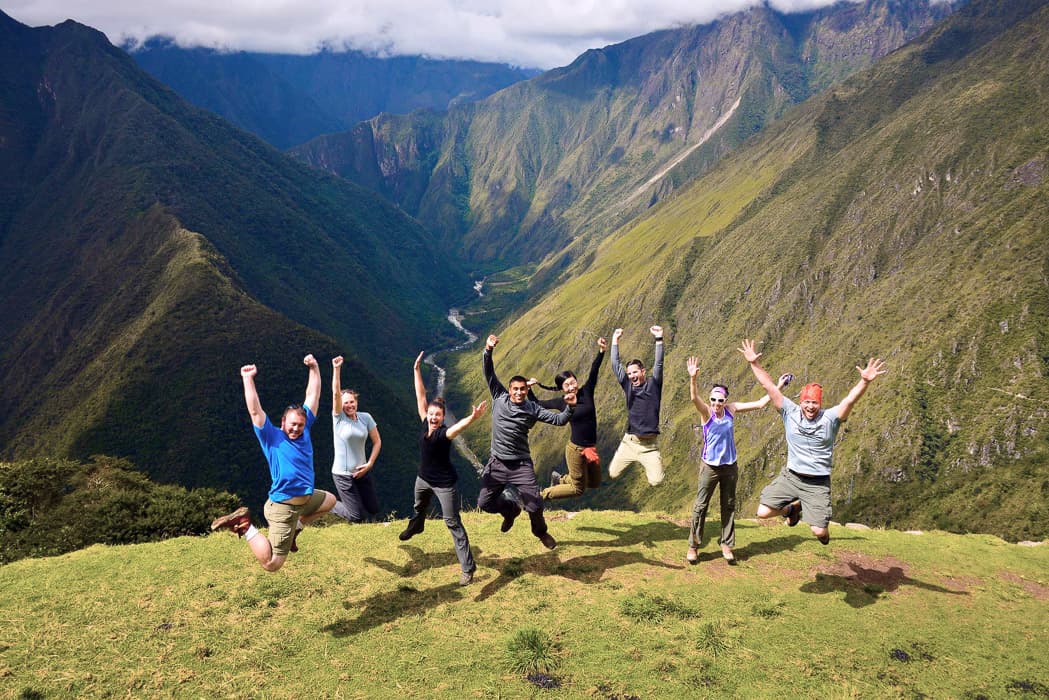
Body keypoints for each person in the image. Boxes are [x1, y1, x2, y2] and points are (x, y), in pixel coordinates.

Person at [739, 338, 887, 544]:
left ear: (820, 404)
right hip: (791, 476)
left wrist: (865, 381)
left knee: (819, 533)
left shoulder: (831, 418)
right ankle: (793, 509)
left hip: (817, 482)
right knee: (763, 512)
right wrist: (753, 363)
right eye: (807, 402)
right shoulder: (789, 412)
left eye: (814, 403)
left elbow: (849, 400)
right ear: (801, 402)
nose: (810, 407)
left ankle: (817, 525)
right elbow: (769, 386)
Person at [211, 355, 337, 572]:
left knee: (330, 501)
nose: (296, 428)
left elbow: (313, 395)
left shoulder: (305, 430)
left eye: (299, 425)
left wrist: (314, 368)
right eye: (292, 425)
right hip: (283, 508)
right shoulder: (271, 437)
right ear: (282, 422)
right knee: (272, 564)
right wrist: (247, 378)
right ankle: (245, 525)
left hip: (304, 500)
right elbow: (255, 411)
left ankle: (295, 529)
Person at [685, 356, 792, 565]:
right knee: (700, 506)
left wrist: (778, 385)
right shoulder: (706, 413)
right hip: (709, 466)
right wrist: (693, 379)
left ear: (726, 400)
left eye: (720, 400)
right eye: (714, 399)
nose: (716, 404)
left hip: (730, 466)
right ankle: (693, 546)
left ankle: (726, 544)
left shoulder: (731, 410)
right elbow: (693, 398)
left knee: (729, 504)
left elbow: (761, 404)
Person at [398, 352, 488, 585]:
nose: (433, 417)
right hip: (423, 479)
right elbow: (420, 396)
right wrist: (416, 370)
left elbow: (458, 427)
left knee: (453, 522)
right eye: (431, 414)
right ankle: (416, 528)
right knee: (419, 507)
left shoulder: (444, 433)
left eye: (438, 415)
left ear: (442, 417)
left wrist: (474, 417)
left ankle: (468, 569)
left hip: (444, 484)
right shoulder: (424, 421)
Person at [479, 334, 576, 550]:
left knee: (534, 504)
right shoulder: (499, 397)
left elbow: (559, 420)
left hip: (521, 464)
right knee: (484, 503)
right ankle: (510, 510)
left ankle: (540, 532)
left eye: (523, 389)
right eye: (515, 389)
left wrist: (569, 406)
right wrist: (488, 349)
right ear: (510, 389)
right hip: (497, 463)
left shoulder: (533, 409)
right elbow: (489, 372)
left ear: (526, 390)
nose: (519, 392)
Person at [530, 336, 607, 501]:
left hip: (590, 448)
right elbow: (537, 403)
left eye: (573, 382)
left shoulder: (586, 392)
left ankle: (562, 479)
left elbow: (594, 370)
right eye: (567, 385)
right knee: (578, 489)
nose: (572, 387)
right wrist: (529, 388)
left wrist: (601, 351)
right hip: (576, 450)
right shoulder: (561, 402)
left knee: (594, 482)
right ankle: (539, 497)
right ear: (562, 389)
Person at [608, 325, 666, 486]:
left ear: (643, 371)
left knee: (657, 481)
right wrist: (615, 340)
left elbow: (659, 364)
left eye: (635, 372)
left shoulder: (654, 384)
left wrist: (659, 339)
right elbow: (615, 364)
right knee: (612, 473)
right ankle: (629, 455)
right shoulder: (628, 386)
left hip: (649, 446)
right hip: (630, 442)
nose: (632, 375)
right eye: (629, 373)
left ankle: (652, 462)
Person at [329, 356, 382, 523]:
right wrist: (336, 369)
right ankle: (328, 503)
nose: (349, 405)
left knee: (373, 508)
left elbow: (377, 441)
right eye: (345, 403)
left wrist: (370, 463)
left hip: (362, 471)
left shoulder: (366, 418)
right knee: (356, 516)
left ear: (356, 402)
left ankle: (373, 526)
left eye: (352, 402)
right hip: (343, 475)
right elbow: (336, 393)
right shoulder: (338, 419)